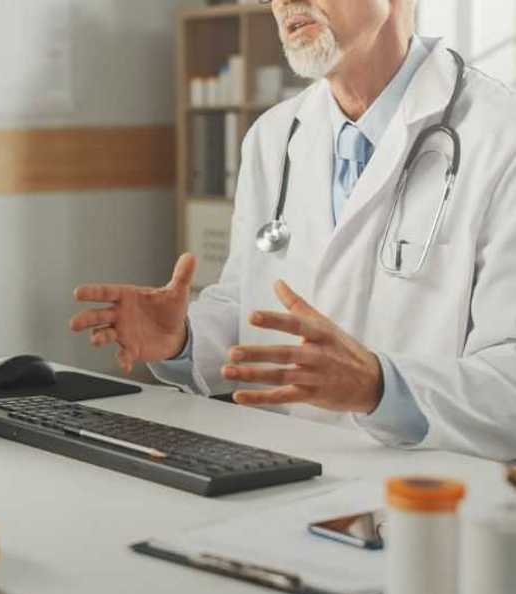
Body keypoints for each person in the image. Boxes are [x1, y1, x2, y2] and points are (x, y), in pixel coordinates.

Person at [71, 0, 516, 461]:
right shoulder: (273, 136)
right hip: (288, 475)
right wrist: (182, 339)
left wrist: (381, 388)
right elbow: (250, 310)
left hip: (434, 495)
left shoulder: (501, 135)